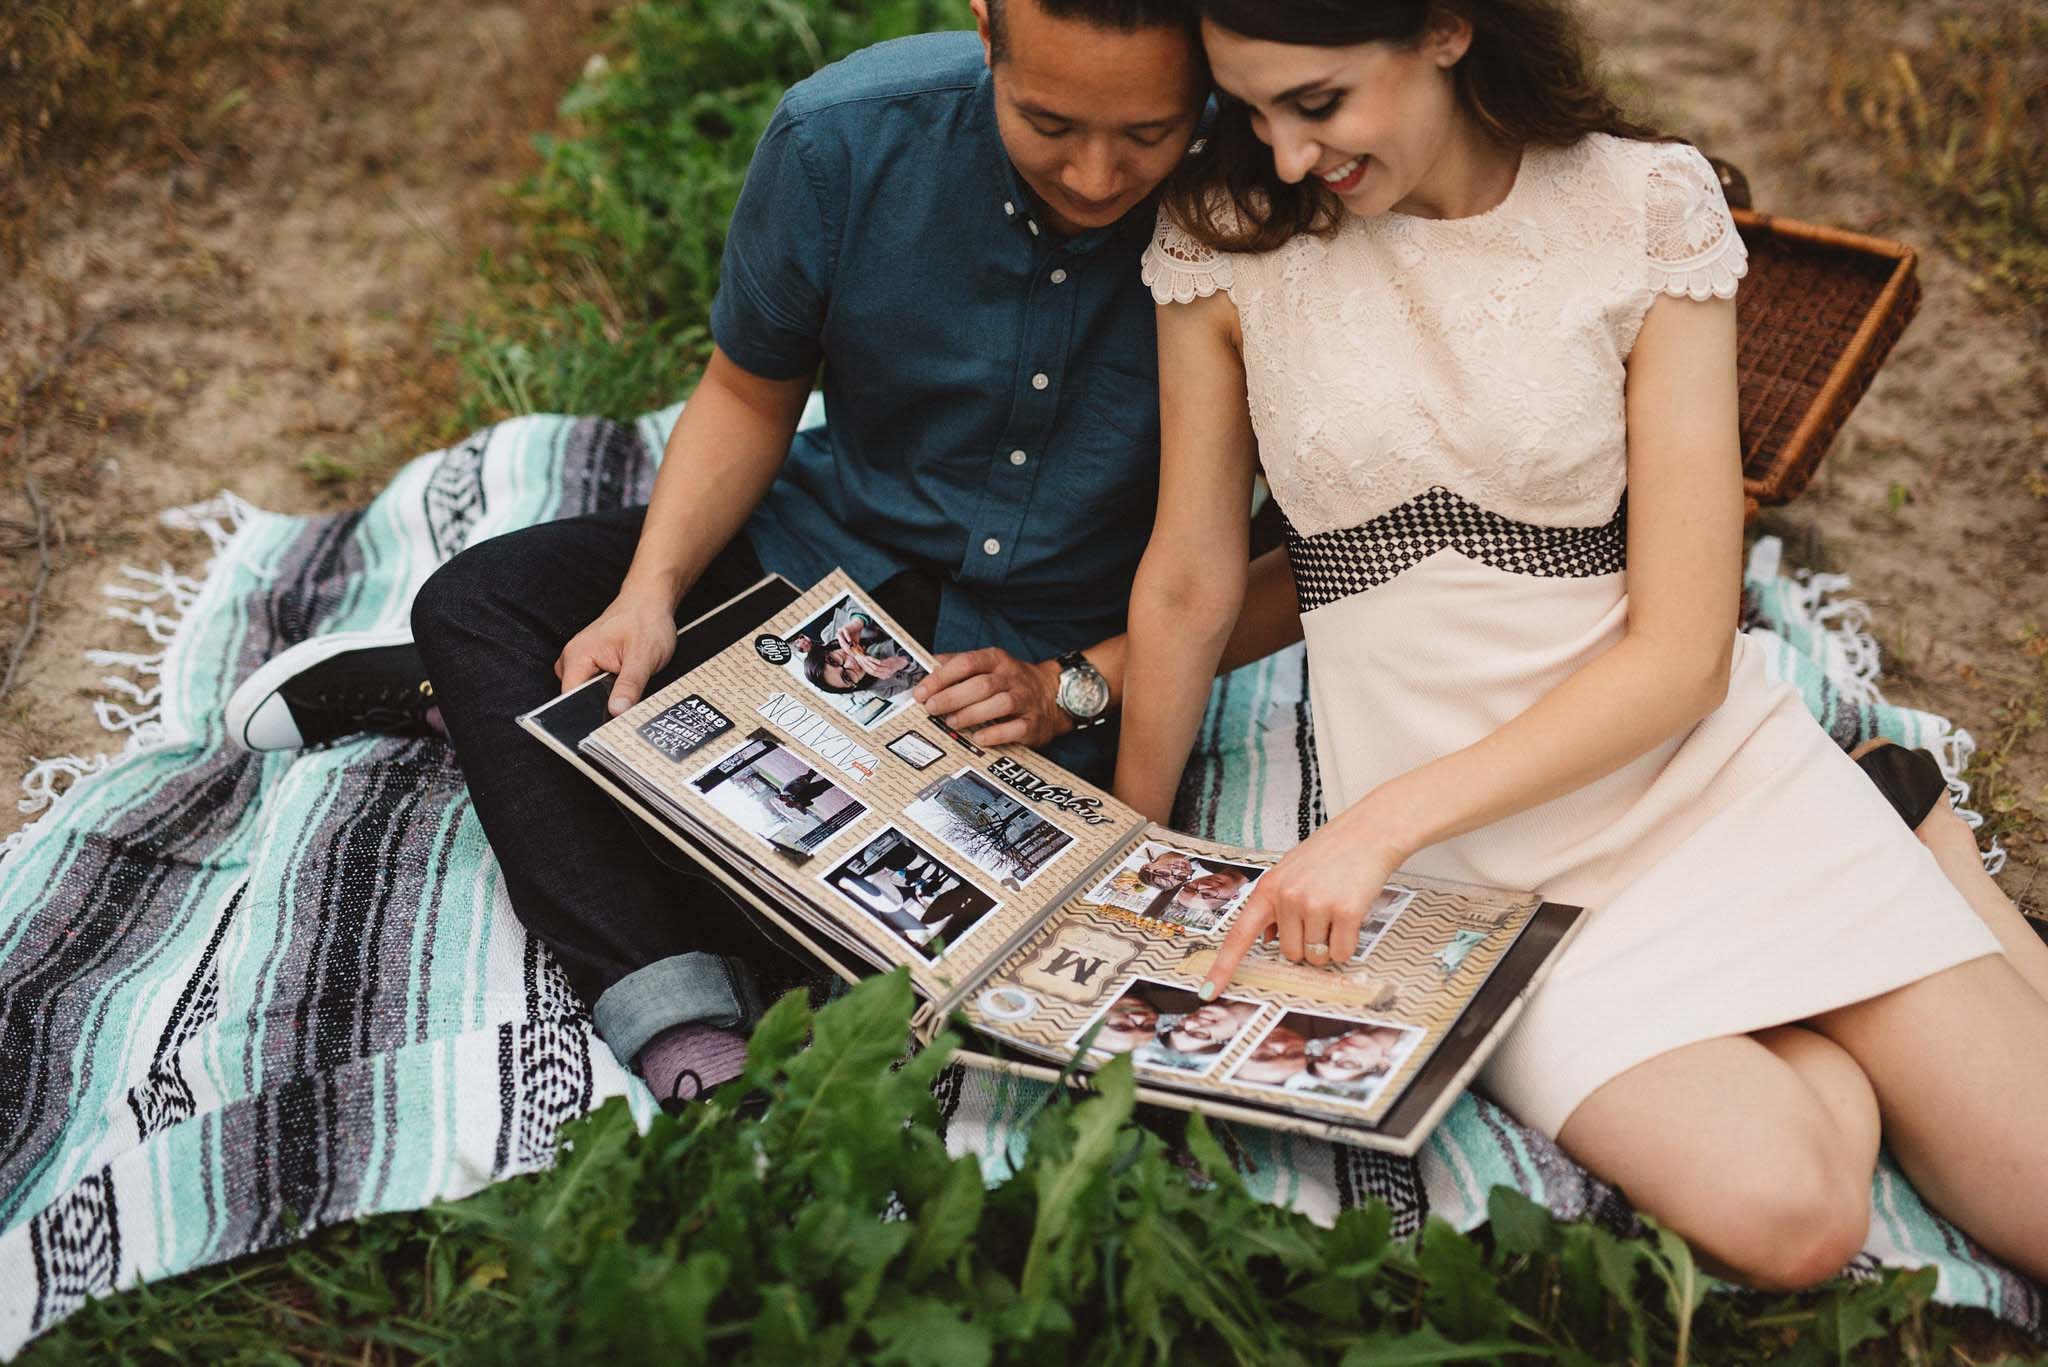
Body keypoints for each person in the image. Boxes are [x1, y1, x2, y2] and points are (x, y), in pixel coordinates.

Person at [1113, 0, 2048, 1290]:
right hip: (1483, 885)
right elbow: (1189, 580)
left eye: (1316, 104)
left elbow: (1682, 656)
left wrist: (1372, 825)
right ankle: (1875, 922)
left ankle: (1898, 849)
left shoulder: (1641, 209)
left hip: (1688, 769)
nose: (1279, 155)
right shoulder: (1226, 239)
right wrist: (1129, 859)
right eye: (1250, 110)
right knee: (1791, 1220)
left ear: (1445, 30)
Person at [221, 0, 1307, 1109]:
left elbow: (1284, 568)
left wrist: (1080, 687)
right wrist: (649, 592)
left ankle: (505, 739)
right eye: (1049, 122)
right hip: (818, 547)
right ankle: (676, 1012)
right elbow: (748, 390)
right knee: (477, 602)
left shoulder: (1262, 196)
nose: (1092, 175)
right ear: (986, 30)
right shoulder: (841, 138)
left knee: (882, 952)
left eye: (1145, 133)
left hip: (1043, 665)